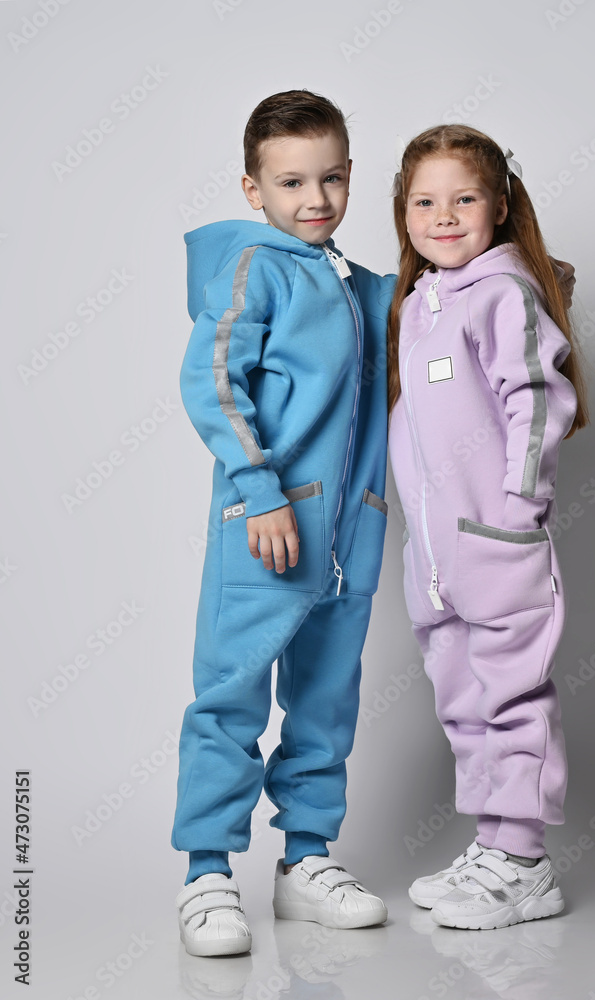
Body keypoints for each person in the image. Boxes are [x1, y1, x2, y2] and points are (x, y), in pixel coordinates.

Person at [171, 90, 396, 957]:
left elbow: (431, 308)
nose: (316, 199)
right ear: (251, 188)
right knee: (230, 698)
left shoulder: (356, 284)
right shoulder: (253, 267)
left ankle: (306, 862)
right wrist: (259, 491)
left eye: (332, 177)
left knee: (324, 704)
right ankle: (206, 872)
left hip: (349, 539)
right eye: (292, 181)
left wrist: (526, 274)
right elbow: (214, 382)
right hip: (268, 526)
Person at [386, 124, 590, 930]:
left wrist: (519, 506)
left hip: (496, 541)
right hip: (435, 559)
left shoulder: (502, 291)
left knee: (512, 698)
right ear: (403, 214)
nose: (444, 215)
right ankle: (493, 846)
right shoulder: (418, 308)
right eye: (424, 201)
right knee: (461, 700)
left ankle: (527, 863)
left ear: (499, 207)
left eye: (463, 199)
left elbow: (537, 397)